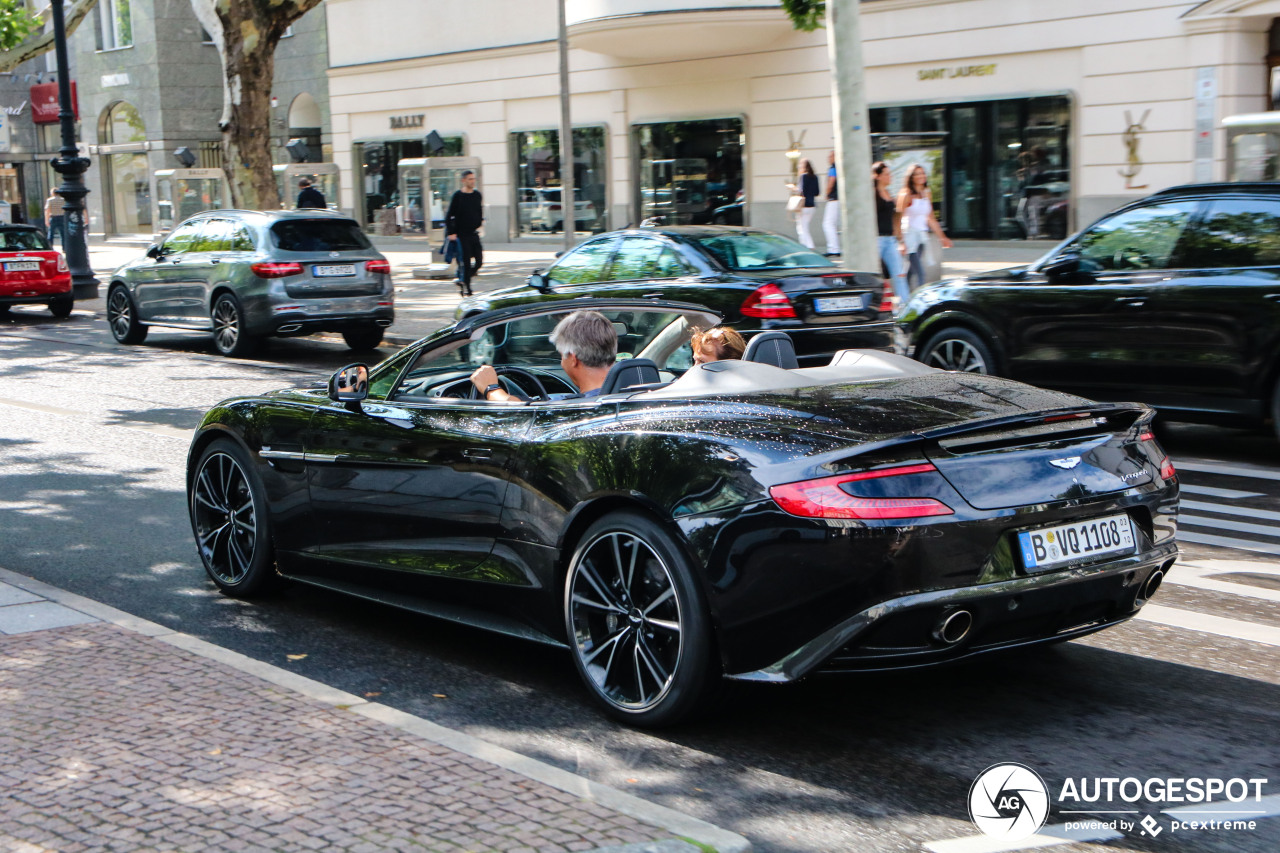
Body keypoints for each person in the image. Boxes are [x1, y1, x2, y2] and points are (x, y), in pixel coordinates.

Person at [470, 310, 616, 402]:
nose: (561, 362)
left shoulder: (569, 407)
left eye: (561, 356)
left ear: (573, 359)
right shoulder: (635, 388)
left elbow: (516, 411)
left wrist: (491, 388)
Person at [896, 163, 952, 291]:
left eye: (922, 173)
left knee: (910, 270)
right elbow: (898, 218)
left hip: (921, 236)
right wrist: (901, 241)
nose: (921, 176)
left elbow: (930, 218)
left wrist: (942, 237)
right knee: (920, 272)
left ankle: (903, 298)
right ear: (911, 177)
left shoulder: (927, 193)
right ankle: (920, 301)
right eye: (917, 174)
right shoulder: (906, 194)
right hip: (909, 236)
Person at [872, 162, 909, 307]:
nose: (890, 176)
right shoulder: (872, 194)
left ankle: (905, 306)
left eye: (890, 173)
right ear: (878, 176)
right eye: (887, 174)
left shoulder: (888, 193)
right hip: (877, 239)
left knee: (899, 274)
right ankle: (878, 306)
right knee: (876, 275)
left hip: (890, 240)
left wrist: (900, 240)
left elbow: (895, 220)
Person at [446, 169, 484, 297]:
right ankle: (467, 287)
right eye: (470, 179)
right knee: (466, 262)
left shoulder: (477, 195)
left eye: (474, 179)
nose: (473, 181)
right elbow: (449, 215)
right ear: (463, 180)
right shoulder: (458, 196)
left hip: (474, 233)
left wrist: (480, 222)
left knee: (479, 261)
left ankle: (462, 277)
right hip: (461, 234)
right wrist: (451, 232)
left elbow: (479, 211)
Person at [795, 158, 820, 249]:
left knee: (802, 228)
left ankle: (808, 246)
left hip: (803, 206)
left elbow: (801, 191)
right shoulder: (815, 177)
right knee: (805, 227)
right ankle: (805, 246)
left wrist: (794, 189)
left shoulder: (803, 177)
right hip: (812, 206)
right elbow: (817, 192)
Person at [823, 151, 840, 256]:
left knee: (828, 224)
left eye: (830, 156)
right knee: (832, 224)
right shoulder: (840, 167)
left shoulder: (833, 168)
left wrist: (827, 193)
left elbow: (831, 182)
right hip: (838, 199)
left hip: (833, 199)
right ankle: (835, 248)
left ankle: (833, 248)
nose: (828, 158)